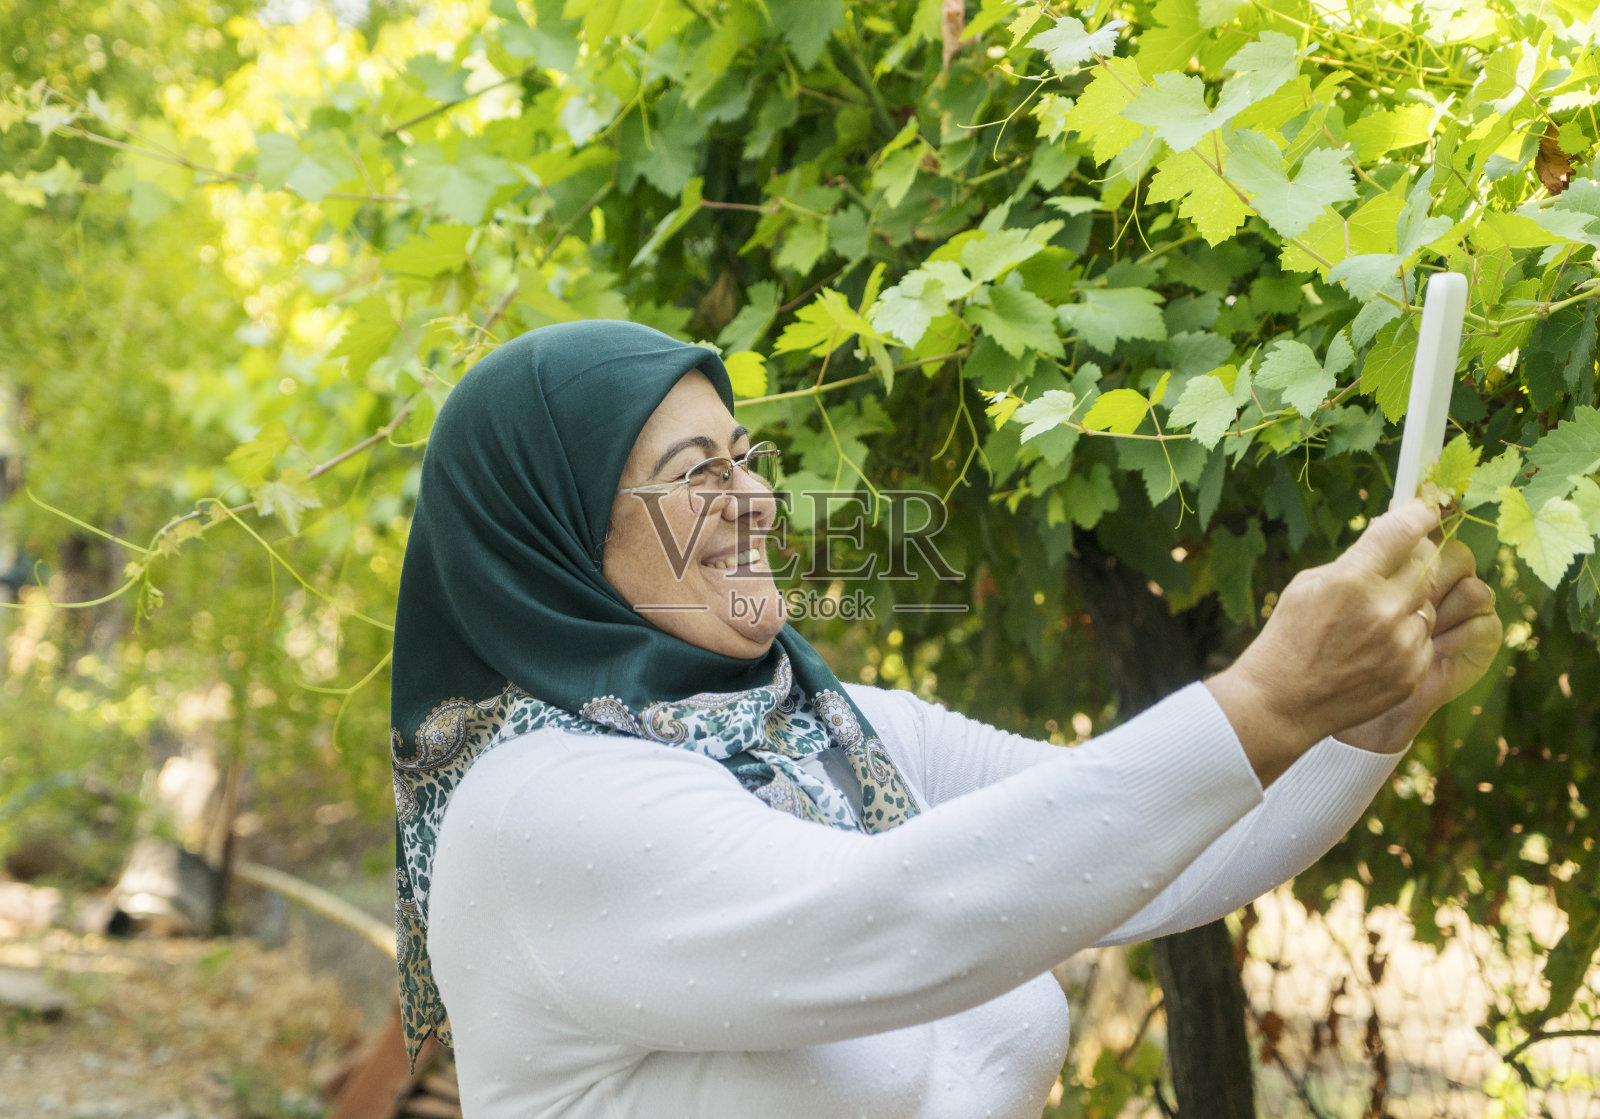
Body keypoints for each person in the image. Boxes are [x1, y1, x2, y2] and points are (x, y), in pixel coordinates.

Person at [388, 320, 1502, 1119]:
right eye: (696, 474)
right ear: (553, 542)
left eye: (747, 458)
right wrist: (1264, 698)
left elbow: (1153, 850)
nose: (758, 502)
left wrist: (1363, 715)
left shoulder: (826, 729)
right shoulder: (537, 806)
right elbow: (897, 916)